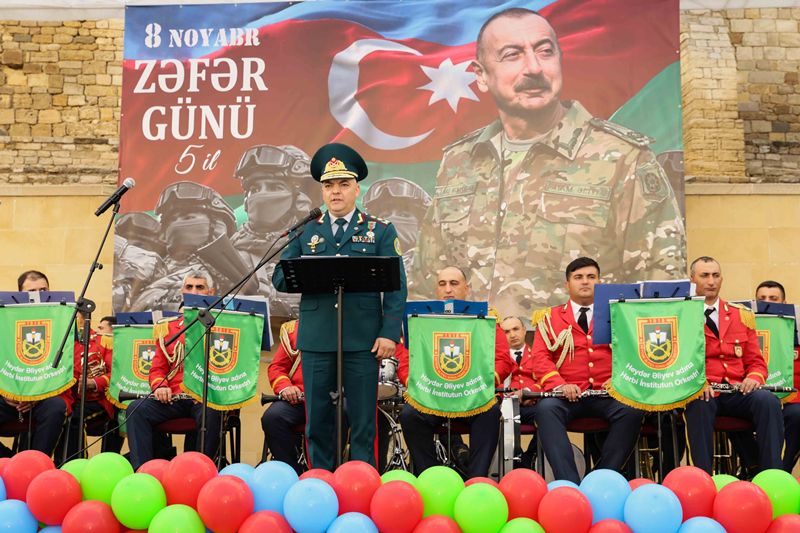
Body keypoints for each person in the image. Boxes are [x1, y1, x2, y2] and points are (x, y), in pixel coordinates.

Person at [411, 7, 686, 322]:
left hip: (575, 349)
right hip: (471, 348)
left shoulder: (622, 157)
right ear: (481, 76)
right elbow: (427, 280)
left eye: (545, 51)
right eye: (512, 55)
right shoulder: (459, 161)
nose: (534, 67)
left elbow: (660, 280)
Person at [272, 143, 407, 470]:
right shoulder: (305, 229)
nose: (335, 191)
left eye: (343, 184)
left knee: (363, 422)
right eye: (329, 185)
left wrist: (389, 333)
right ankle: (321, 482)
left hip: (363, 340)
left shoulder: (379, 230)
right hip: (317, 339)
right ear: (322, 191)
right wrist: (308, 273)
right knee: (318, 422)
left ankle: (361, 485)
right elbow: (279, 279)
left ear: (356, 189)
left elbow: (397, 286)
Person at [528, 257, 644, 483]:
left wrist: (620, 381)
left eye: (591, 277)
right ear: (567, 284)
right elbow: (540, 359)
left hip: (608, 394)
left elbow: (633, 353)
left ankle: (602, 478)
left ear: (600, 282)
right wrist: (560, 385)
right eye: (578, 277)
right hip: (567, 396)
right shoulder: (550, 318)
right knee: (546, 410)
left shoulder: (617, 314)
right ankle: (569, 482)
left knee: (632, 410)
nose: (585, 282)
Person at [398, 266, 513, 478]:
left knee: (490, 413)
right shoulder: (420, 321)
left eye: (454, 283)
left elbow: (502, 359)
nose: (448, 289)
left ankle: (476, 479)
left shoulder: (485, 320)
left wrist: (483, 383)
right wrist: (419, 386)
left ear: (466, 288)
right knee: (409, 416)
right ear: (436, 289)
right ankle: (431, 478)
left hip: (471, 395)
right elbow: (406, 361)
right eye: (442, 284)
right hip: (432, 394)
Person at [683, 257, 783, 474]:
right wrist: (696, 382)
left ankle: (772, 474)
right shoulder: (682, 315)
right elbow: (678, 361)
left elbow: (756, 362)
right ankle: (703, 477)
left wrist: (753, 377)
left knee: (768, 401)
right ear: (692, 280)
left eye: (716, 275)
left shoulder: (740, 314)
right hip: (704, 391)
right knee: (698, 404)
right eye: (704, 275)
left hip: (738, 391)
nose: (711, 281)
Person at [126, 272, 223, 469]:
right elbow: (157, 368)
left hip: (205, 398)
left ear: (211, 292)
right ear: (182, 291)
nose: (194, 291)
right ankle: (143, 471)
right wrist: (160, 385)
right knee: (136, 409)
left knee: (212, 413)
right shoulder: (168, 328)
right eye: (189, 287)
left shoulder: (222, 326)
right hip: (174, 397)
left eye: (200, 287)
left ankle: (201, 471)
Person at [129, 181, 255, 312]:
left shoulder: (249, 265)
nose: (178, 224)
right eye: (172, 219)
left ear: (219, 222)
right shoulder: (155, 272)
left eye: (188, 216)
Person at [231, 144, 322, 318]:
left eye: (275, 187)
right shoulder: (231, 254)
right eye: (254, 189)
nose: (260, 196)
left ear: (301, 199)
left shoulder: (319, 246)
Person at [0, 271, 70, 457]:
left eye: (43, 290)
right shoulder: (3, 319)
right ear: (20, 294)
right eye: (32, 291)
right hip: (7, 397)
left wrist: (38, 394)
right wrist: (6, 393)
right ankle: (9, 461)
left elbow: (68, 368)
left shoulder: (62, 322)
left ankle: (37, 463)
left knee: (56, 407)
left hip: (43, 397)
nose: (39, 295)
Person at [752, 280, 800, 472]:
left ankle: (781, 472)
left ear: (784, 303)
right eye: (762, 299)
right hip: (755, 398)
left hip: (790, 400)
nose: (767, 303)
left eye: (773, 299)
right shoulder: (745, 328)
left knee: (798, 416)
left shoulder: (794, 331)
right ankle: (753, 467)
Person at [64, 311, 121, 458]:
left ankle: (77, 461)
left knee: (75, 418)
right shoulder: (67, 340)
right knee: (59, 414)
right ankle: (60, 461)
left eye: (75, 317)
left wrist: (94, 382)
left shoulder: (105, 342)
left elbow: (116, 374)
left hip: (99, 399)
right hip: (73, 397)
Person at [362, 177, 431, 274]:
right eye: (385, 216)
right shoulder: (366, 263)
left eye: (403, 215)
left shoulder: (433, 264)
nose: (392, 219)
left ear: (421, 224)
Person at [500, 315, 540, 468]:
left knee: (548, 417)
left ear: (524, 330)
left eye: (516, 329)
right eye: (506, 332)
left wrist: (529, 392)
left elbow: (546, 380)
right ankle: (511, 463)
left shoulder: (539, 354)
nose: (512, 335)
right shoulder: (497, 358)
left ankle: (528, 458)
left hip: (532, 405)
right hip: (504, 407)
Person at [113, 212, 167, 311]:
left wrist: (121, 248)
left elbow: (152, 266)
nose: (128, 260)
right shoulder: (116, 285)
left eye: (138, 247)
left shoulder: (157, 269)